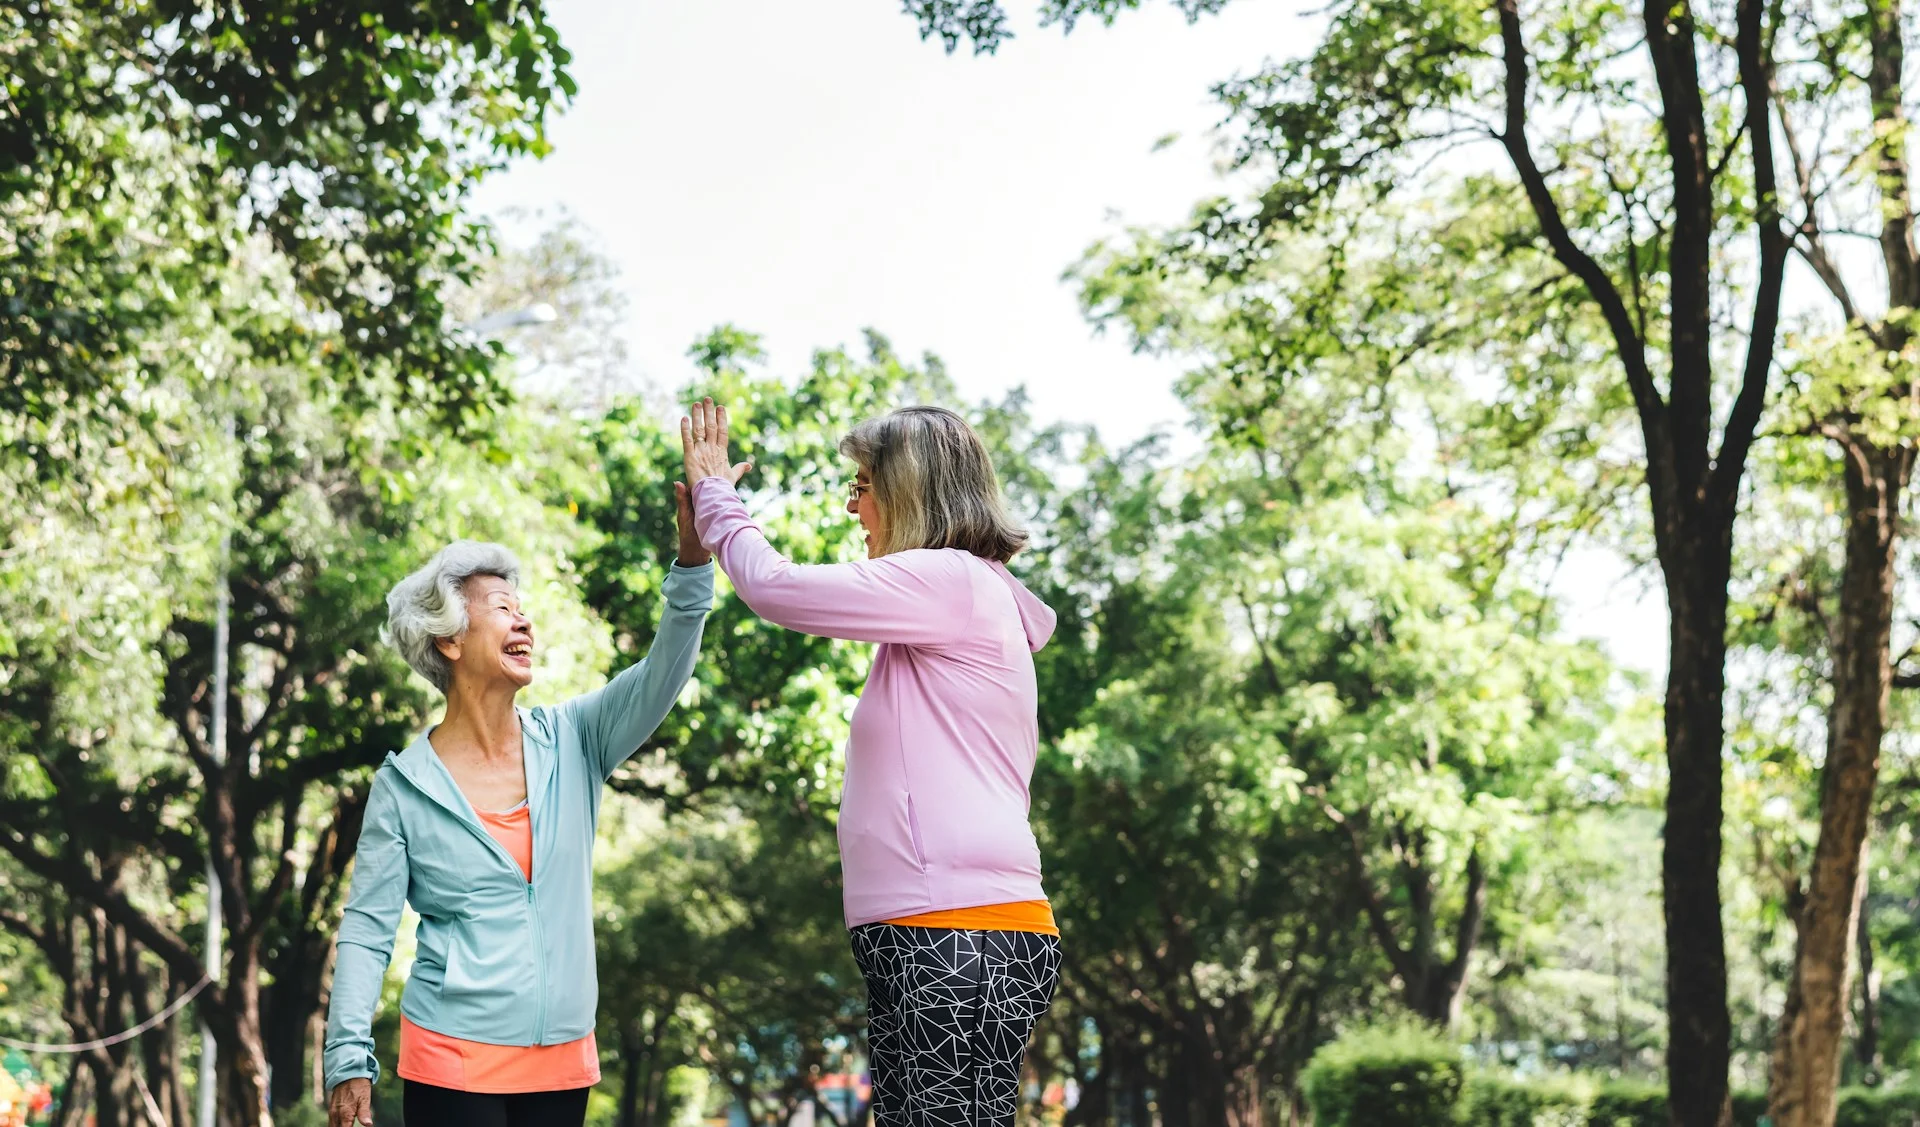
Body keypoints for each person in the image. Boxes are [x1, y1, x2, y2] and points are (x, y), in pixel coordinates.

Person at [681, 397, 1063, 1127]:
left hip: (957, 931)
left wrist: (716, 499)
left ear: (909, 491)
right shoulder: (947, 607)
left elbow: (775, 588)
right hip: (934, 930)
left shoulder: (953, 582)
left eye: (861, 486)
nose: (854, 507)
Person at [322, 492, 715, 1127]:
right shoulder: (403, 787)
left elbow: (663, 671)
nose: (525, 622)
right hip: (449, 1058)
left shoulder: (576, 739)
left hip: (561, 1062)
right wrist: (347, 1058)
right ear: (449, 640)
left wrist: (693, 561)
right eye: (503, 609)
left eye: (524, 609)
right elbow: (368, 931)